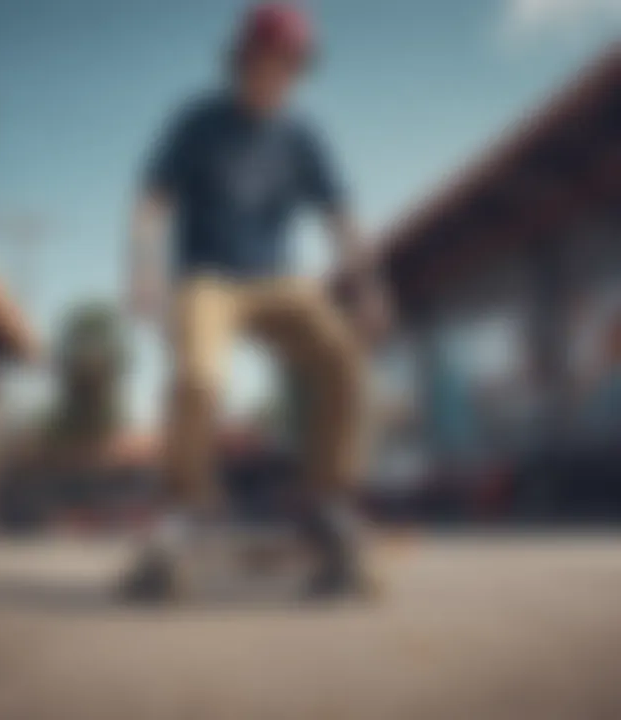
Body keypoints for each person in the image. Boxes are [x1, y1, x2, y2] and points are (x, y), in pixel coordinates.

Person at [125, 2, 381, 599]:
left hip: (277, 281)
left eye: (292, 67)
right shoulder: (197, 122)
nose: (280, 77)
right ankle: (184, 511)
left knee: (342, 356)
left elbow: (341, 218)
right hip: (206, 277)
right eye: (270, 63)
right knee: (199, 377)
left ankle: (329, 503)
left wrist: (369, 287)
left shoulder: (303, 135)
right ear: (243, 59)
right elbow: (152, 202)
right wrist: (143, 271)